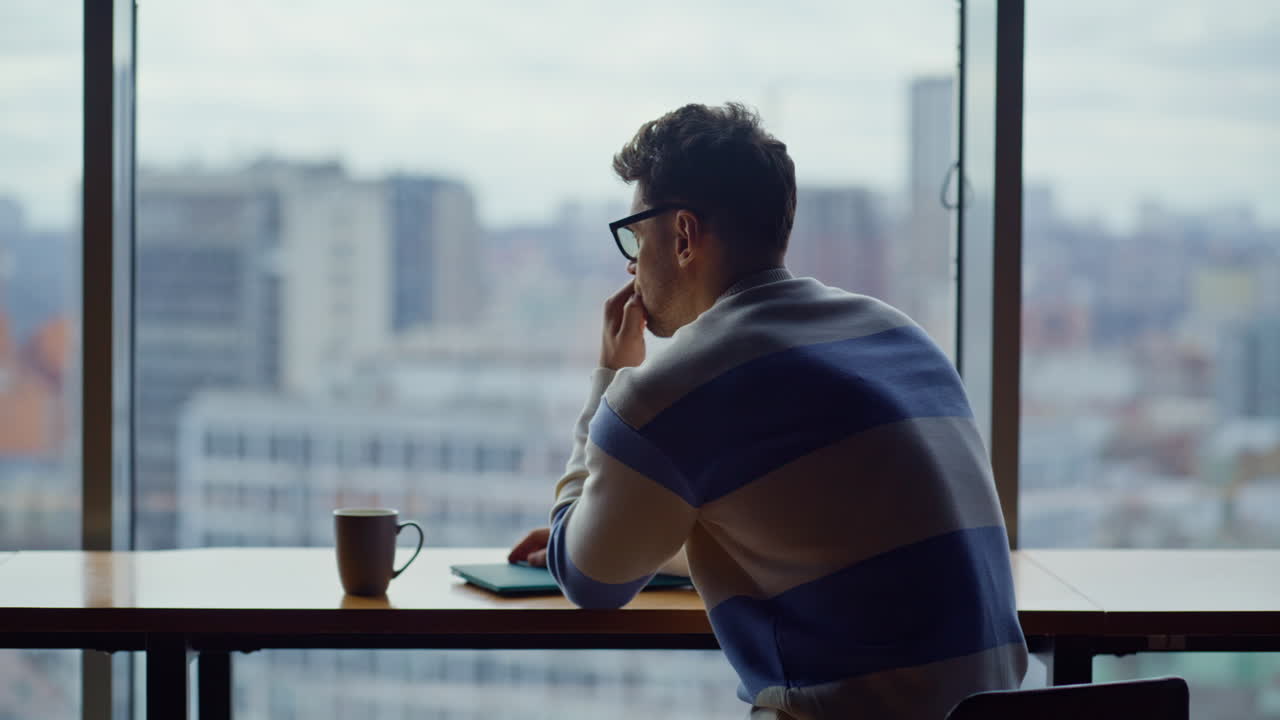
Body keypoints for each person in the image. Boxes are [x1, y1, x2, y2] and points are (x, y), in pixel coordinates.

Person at [508, 102, 1028, 719]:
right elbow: (817, 536)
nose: (631, 261)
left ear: (681, 235)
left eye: (635, 234)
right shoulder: (900, 336)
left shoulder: (671, 388)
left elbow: (589, 581)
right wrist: (641, 531)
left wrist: (611, 378)